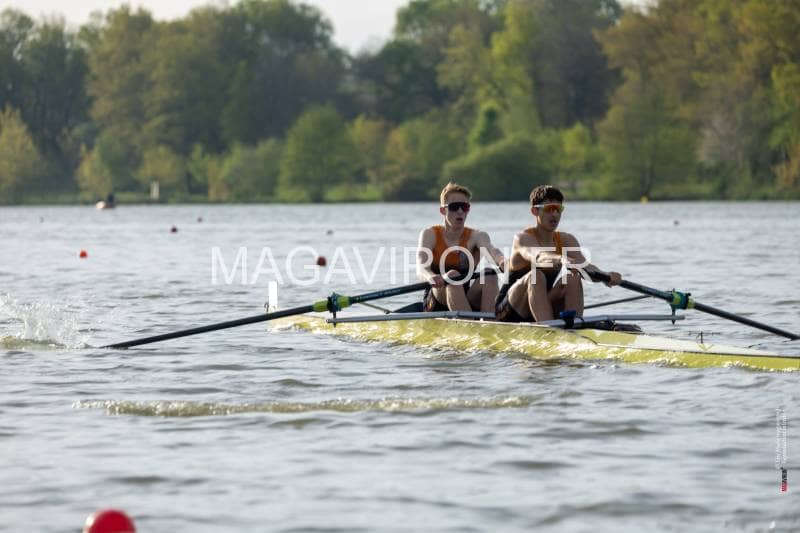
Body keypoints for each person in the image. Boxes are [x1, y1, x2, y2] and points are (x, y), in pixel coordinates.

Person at [496, 185, 622, 322]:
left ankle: (574, 326)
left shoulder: (566, 240)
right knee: (536, 276)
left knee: (573, 276)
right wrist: (561, 258)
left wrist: (605, 276)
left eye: (558, 209)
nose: (555, 214)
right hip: (508, 311)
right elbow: (539, 256)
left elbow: (585, 268)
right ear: (535, 211)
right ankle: (549, 328)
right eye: (549, 209)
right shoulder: (522, 238)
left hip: (538, 304)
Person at [417, 182, 505, 312]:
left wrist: (503, 261)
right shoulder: (430, 234)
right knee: (453, 275)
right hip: (436, 299)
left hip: (464, 296)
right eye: (454, 207)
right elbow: (421, 267)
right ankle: (469, 321)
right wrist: (430, 276)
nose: (460, 211)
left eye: (464, 207)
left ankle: (490, 321)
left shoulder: (477, 236)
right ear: (443, 210)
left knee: (489, 274)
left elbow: (492, 251)